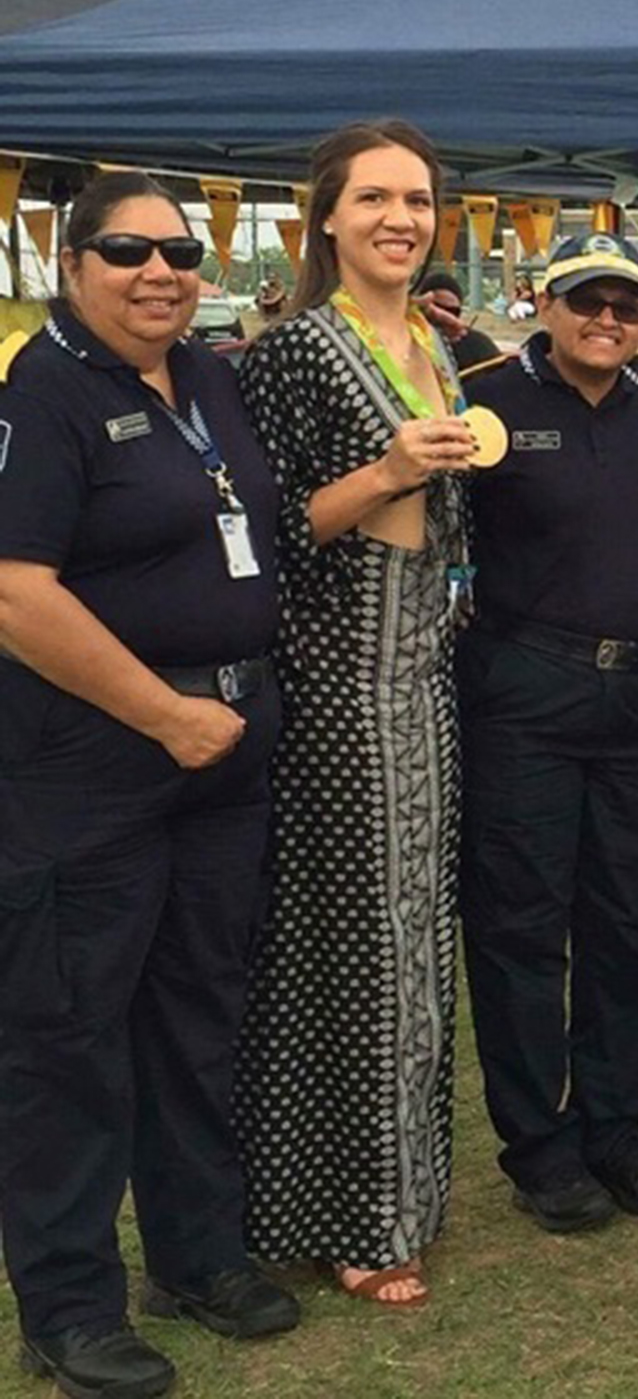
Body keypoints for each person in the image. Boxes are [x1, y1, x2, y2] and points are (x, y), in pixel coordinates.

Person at [0, 172, 297, 1399]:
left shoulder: (209, 378)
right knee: (70, 1037)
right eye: (128, 251)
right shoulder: (46, 390)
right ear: (73, 263)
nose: (159, 272)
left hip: (221, 751)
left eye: (178, 251)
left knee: (196, 1014)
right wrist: (165, 716)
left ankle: (195, 1255)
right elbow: (16, 592)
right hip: (97, 757)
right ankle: (70, 1307)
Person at [234, 120, 474, 1309]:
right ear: (322, 217)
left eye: (418, 199)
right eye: (374, 198)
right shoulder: (291, 352)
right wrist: (386, 472)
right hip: (337, 686)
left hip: (423, 675)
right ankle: (359, 1216)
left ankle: (409, 1192)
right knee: (353, 953)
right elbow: (261, 537)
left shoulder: (428, 335)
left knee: (418, 942)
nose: (400, 217)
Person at [458, 231, 638, 1234]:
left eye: (626, 306)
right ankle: (539, 1146)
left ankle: (615, 1126)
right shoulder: (488, 404)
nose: (607, 320)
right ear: (544, 305)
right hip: (527, 690)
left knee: (634, 926)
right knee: (520, 928)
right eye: (585, 301)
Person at [414, 268, 503, 371]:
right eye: (437, 308)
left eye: (452, 311)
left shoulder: (478, 345)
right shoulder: (405, 342)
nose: (444, 316)